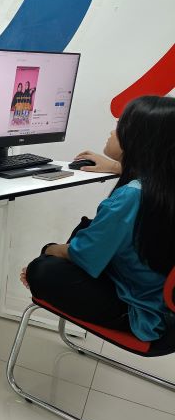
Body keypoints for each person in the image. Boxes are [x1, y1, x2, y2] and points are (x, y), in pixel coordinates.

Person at [21, 95, 175, 342]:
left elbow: (84, 255)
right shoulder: (163, 185)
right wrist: (117, 166)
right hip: (159, 302)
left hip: (140, 311)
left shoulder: (130, 197)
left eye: (119, 127)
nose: (111, 133)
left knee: (43, 269)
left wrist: (48, 249)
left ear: (138, 141)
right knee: (86, 230)